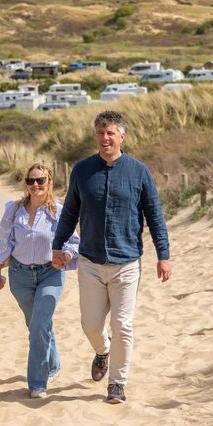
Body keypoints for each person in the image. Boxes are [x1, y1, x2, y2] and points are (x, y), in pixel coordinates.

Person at [51, 110, 172, 404]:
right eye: (100, 133)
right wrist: (58, 245)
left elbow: (154, 215)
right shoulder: (82, 170)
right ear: (96, 136)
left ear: (122, 136)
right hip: (90, 262)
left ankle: (117, 384)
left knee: (123, 325)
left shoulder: (139, 171)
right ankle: (102, 351)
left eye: (110, 133)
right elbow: (69, 212)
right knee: (91, 325)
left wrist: (163, 255)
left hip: (127, 263)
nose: (105, 138)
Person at [0, 163, 80, 399]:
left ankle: (37, 382)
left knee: (39, 324)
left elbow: (73, 243)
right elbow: (3, 240)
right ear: (26, 184)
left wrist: (66, 255)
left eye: (41, 180)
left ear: (49, 182)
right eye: (31, 181)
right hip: (20, 275)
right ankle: (53, 363)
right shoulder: (13, 209)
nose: (36, 185)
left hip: (51, 273)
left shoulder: (59, 211)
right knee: (37, 323)